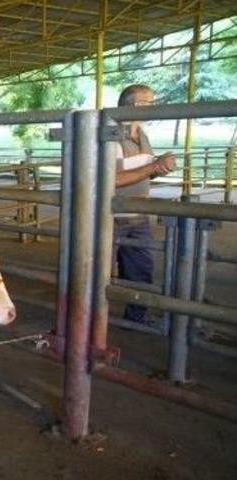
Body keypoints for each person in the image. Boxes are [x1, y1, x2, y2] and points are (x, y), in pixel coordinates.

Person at [113, 84, 176, 325]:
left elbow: (141, 171)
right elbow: (114, 179)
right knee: (98, 271)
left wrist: (159, 168)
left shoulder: (143, 135)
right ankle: (88, 323)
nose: (154, 107)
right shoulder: (112, 133)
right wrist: (154, 166)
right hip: (112, 215)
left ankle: (136, 318)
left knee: (140, 270)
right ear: (135, 105)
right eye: (150, 103)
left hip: (138, 215)